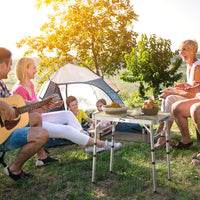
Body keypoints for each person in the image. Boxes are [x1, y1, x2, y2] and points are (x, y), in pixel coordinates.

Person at [12, 57, 122, 154]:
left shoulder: (29, 84)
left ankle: (89, 145)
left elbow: (35, 110)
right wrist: (43, 108)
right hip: (30, 125)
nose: (36, 70)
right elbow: (25, 116)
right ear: (25, 70)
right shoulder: (19, 89)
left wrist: (51, 107)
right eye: (33, 68)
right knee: (67, 130)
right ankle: (101, 144)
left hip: (39, 118)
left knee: (68, 114)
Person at [0, 47, 49, 181]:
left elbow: (16, 102)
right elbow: (5, 104)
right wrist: (2, 104)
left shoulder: (1, 84)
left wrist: (40, 104)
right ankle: (14, 168)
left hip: (8, 127)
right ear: (2, 65)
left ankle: (40, 157)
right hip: (2, 137)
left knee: (37, 117)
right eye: (10, 65)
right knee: (42, 134)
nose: (11, 69)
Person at [154, 39, 200, 149]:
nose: (181, 53)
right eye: (180, 50)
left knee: (170, 98)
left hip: (197, 100)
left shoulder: (196, 67)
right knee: (167, 98)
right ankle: (165, 133)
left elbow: (192, 94)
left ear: (193, 51)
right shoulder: (190, 65)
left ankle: (164, 135)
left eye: (184, 49)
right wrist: (171, 90)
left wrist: (172, 92)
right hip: (195, 97)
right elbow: (189, 89)